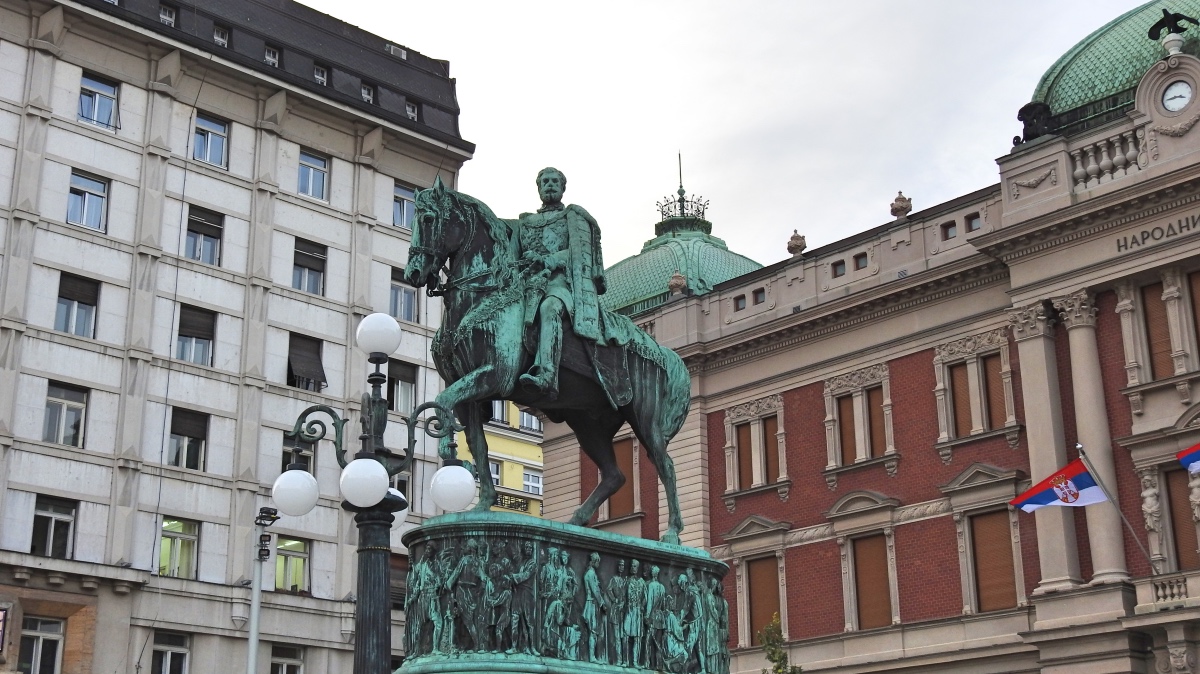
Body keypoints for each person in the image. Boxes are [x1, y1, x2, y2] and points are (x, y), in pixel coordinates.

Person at [512, 167, 610, 399]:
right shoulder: (524, 223)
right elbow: (511, 257)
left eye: (555, 181)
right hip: (525, 284)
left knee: (550, 308)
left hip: (560, 282)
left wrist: (547, 260)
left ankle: (547, 374)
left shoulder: (572, 218)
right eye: (545, 181)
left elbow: (578, 253)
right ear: (538, 187)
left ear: (563, 187)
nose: (550, 184)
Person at [582, 552, 607, 663]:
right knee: (593, 631)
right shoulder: (591, 574)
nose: (599, 564)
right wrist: (602, 603)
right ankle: (592, 656)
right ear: (595, 561)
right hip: (592, 604)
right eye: (598, 562)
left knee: (594, 631)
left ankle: (593, 656)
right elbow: (595, 591)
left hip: (593, 603)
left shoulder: (590, 573)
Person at [624, 560, 647, 668]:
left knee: (637, 637)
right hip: (629, 610)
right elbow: (623, 595)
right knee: (626, 635)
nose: (633, 568)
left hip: (637, 611)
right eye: (632, 566)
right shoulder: (627, 580)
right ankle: (625, 661)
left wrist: (642, 605)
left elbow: (645, 597)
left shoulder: (642, 582)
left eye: (635, 566)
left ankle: (635, 662)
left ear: (637, 568)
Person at [605, 559, 628, 666]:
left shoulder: (625, 580)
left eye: (622, 566)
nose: (621, 567)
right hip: (616, 610)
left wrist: (624, 602)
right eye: (619, 565)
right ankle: (617, 659)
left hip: (624, 611)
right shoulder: (614, 579)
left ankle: (625, 660)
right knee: (616, 636)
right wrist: (614, 600)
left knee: (624, 636)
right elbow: (608, 590)